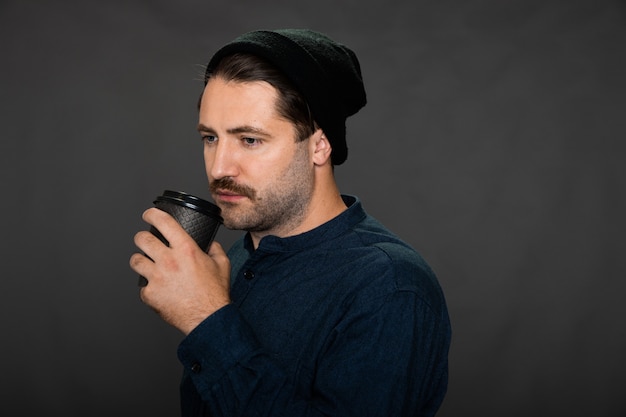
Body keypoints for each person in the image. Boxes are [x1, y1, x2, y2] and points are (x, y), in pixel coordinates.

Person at [130, 28, 451, 417]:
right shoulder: (244, 254)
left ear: (319, 144)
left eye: (249, 140)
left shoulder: (390, 288)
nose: (218, 168)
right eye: (210, 138)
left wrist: (206, 318)